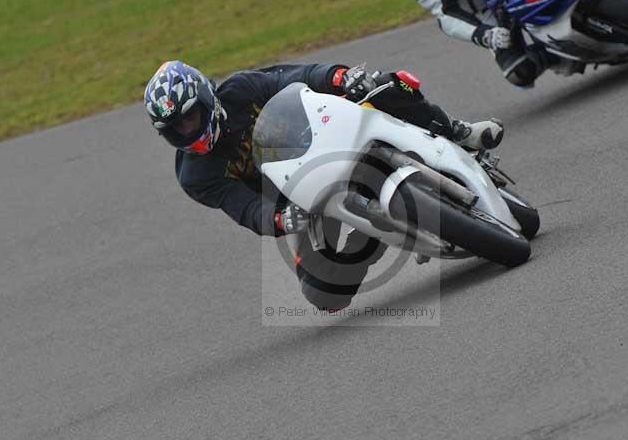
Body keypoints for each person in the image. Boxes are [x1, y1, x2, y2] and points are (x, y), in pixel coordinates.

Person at [144, 61, 504, 310]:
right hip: (300, 197)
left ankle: (458, 132)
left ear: (206, 98)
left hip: (322, 135)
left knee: (386, 85)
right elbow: (245, 208)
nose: (186, 131)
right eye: (176, 129)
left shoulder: (240, 89)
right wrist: (281, 220)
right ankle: (377, 231)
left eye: (190, 118)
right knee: (323, 293)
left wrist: (339, 78)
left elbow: (296, 77)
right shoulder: (196, 176)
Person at [398, 0, 584, 87]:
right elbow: (445, 15)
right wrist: (484, 35)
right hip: (489, 13)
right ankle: (565, 52)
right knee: (519, 73)